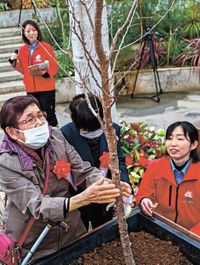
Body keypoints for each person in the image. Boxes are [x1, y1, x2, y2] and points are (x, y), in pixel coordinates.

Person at [0, 95, 131, 263]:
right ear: (12, 131)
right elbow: (37, 205)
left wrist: (110, 184)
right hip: (35, 239)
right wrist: (82, 198)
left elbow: (81, 170)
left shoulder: (55, 137)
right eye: (30, 119)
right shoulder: (6, 162)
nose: (40, 123)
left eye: (40, 115)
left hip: (71, 229)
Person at [61, 94, 130, 230]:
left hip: (105, 190)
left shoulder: (113, 130)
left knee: (103, 226)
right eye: (87, 129)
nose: (92, 132)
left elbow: (119, 160)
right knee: (80, 229)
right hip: (79, 192)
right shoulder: (65, 134)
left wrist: (124, 183)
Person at [136, 121, 200, 236]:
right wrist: (144, 200)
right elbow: (142, 193)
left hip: (192, 235)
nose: (173, 144)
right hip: (162, 229)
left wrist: (192, 236)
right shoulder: (155, 166)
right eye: (169, 139)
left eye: (180, 139)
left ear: (194, 144)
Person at [8, 20, 59, 127]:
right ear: (24, 33)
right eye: (28, 31)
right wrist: (13, 63)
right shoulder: (22, 50)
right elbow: (24, 70)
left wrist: (45, 73)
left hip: (46, 88)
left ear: (38, 31)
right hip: (31, 90)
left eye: (34, 30)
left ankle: (55, 139)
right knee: (35, 117)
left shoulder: (45, 47)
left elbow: (55, 66)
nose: (31, 33)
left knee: (49, 116)